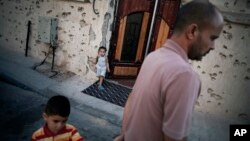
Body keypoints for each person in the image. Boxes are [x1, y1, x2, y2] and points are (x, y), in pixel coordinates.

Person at [115, 1, 224, 141]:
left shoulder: (153, 57)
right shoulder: (185, 76)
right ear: (192, 31)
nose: (213, 46)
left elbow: (131, 100)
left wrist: (124, 135)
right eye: (212, 38)